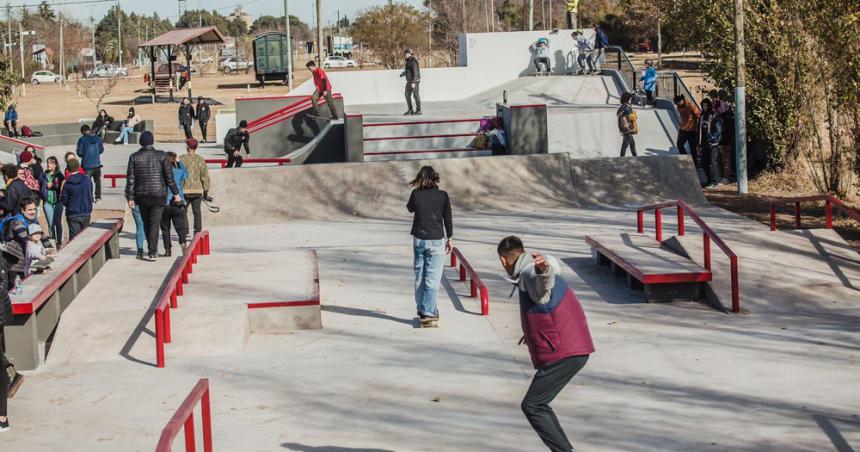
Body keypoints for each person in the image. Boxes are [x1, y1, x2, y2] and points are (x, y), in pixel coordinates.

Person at [496, 236, 594, 452]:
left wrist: (544, 270)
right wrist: (531, 332)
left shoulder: (531, 272)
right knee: (539, 405)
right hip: (571, 346)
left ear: (504, 261)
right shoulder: (530, 270)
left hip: (565, 352)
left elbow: (543, 286)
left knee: (533, 405)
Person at [406, 166, 453, 327]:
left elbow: (410, 208)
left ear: (420, 178)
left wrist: (418, 191)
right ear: (435, 179)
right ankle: (428, 312)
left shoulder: (416, 194)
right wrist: (450, 237)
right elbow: (448, 218)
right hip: (436, 240)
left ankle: (422, 309)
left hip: (419, 239)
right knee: (432, 277)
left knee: (420, 275)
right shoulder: (443, 195)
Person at [125, 131, 181, 261]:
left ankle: (151, 249)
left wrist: (131, 197)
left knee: (146, 223)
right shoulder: (161, 155)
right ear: (152, 141)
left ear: (141, 142)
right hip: (158, 194)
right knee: (155, 223)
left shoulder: (134, 157)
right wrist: (176, 193)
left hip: (142, 195)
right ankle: (152, 251)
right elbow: (169, 177)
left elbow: (131, 179)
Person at [2, 198, 55, 283]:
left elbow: (41, 234)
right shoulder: (17, 222)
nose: (33, 212)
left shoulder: (33, 220)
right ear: (23, 210)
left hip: (24, 261)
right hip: (13, 262)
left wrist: (50, 247)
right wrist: (41, 255)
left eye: (34, 209)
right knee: (15, 288)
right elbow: (27, 239)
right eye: (30, 210)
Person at [179, 138, 210, 239]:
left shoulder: (182, 159)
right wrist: (206, 191)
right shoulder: (200, 159)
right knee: (197, 212)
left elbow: (179, 174)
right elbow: (205, 176)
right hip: (197, 190)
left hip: (185, 190)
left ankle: (186, 232)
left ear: (188, 147)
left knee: (183, 211)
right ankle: (197, 232)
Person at [160, 152, 188, 257]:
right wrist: (179, 161)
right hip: (178, 203)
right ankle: (183, 243)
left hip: (164, 203)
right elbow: (186, 174)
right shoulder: (179, 172)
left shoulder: (161, 173)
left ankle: (168, 250)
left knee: (165, 228)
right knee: (180, 226)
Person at [61, 159, 93, 240]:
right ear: (78, 167)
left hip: (72, 213)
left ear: (68, 169)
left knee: (75, 239)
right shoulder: (87, 180)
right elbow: (90, 193)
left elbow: (64, 200)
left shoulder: (67, 183)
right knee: (85, 237)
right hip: (86, 211)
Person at [38, 156, 64, 248]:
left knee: (58, 222)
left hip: (58, 202)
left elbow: (62, 187)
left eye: (51, 162)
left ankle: (59, 242)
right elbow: (39, 187)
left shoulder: (59, 175)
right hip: (47, 202)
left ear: (55, 164)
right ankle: (53, 241)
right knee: (50, 223)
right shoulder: (43, 175)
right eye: (48, 162)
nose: (49, 164)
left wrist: (53, 185)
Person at [76, 124, 104, 203]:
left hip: (87, 165)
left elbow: (80, 152)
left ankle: (90, 198)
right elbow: (101, 150)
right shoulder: (98, 138)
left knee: (88, 182)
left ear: (83, 131)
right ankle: (98, 197)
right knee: (97, 181)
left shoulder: (82, 139)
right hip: (97, 164)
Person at [699, 98, 723, 188]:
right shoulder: (702, 116)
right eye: (703, 106)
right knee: (704, 163)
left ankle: (715, 181)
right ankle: (709, 179)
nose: (704, 107)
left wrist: (712, 139)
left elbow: (718, 130)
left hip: (713, 144)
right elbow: (700, 130)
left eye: (706, 105)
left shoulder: (713, 116)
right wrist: (699, 143)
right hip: (704, 143)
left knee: (712, 163)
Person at [400, 49, 422, 116]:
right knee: (407, 94)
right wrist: (403, 74)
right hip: (409, 81)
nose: (405, 54)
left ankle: (418, 110)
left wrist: (413, 82)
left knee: (415, 95)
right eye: (405, 53)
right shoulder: (408, 61)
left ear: (410, 54)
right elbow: (409, 70)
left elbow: (415, 72)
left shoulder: (413, 61)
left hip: (414, 81)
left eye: (407, 53)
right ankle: (410, 110)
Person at [617, 92, 638, 157]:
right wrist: (635, 115)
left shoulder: (620, 108)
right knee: (625, 145)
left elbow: (619, 116)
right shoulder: (628, 107)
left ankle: (635, 157)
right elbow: (632, 118)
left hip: (623, 129)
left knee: (632, 144)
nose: (630, 101)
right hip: (628, 129)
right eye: (630, 99)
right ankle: (621, 158)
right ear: (627, 99)